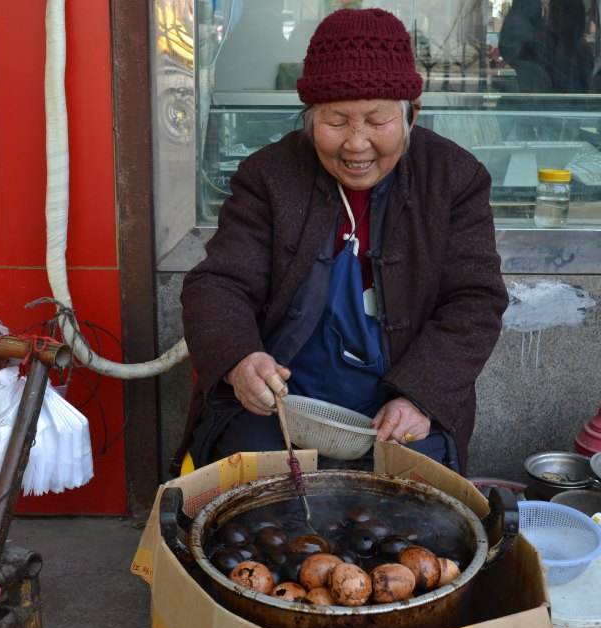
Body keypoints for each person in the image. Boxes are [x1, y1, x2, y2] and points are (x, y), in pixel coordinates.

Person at [174, 8, 508, 477]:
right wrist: (239, 360)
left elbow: (475, 301)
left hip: (399, 404)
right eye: (336, 121)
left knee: (416, 510)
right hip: (284, 405)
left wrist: (421, 395)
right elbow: (218, 284)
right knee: (254, 498)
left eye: (376, 119)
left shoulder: (454, 179)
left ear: (412, 112)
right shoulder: (270, 176)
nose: (356, 143)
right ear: (310, 118)